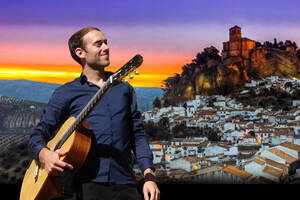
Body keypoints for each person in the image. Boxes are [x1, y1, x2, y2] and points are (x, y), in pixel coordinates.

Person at [28, 27, 160, 200]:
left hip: (125, 184)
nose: (106, 47)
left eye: (106, 42)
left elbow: (137, 134)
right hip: (83, 187)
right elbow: (38, 135)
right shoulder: (66, 92)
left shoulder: (124, 90)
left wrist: (148, 175)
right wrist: (45, 156)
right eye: (98, 44)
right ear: (80, 52)